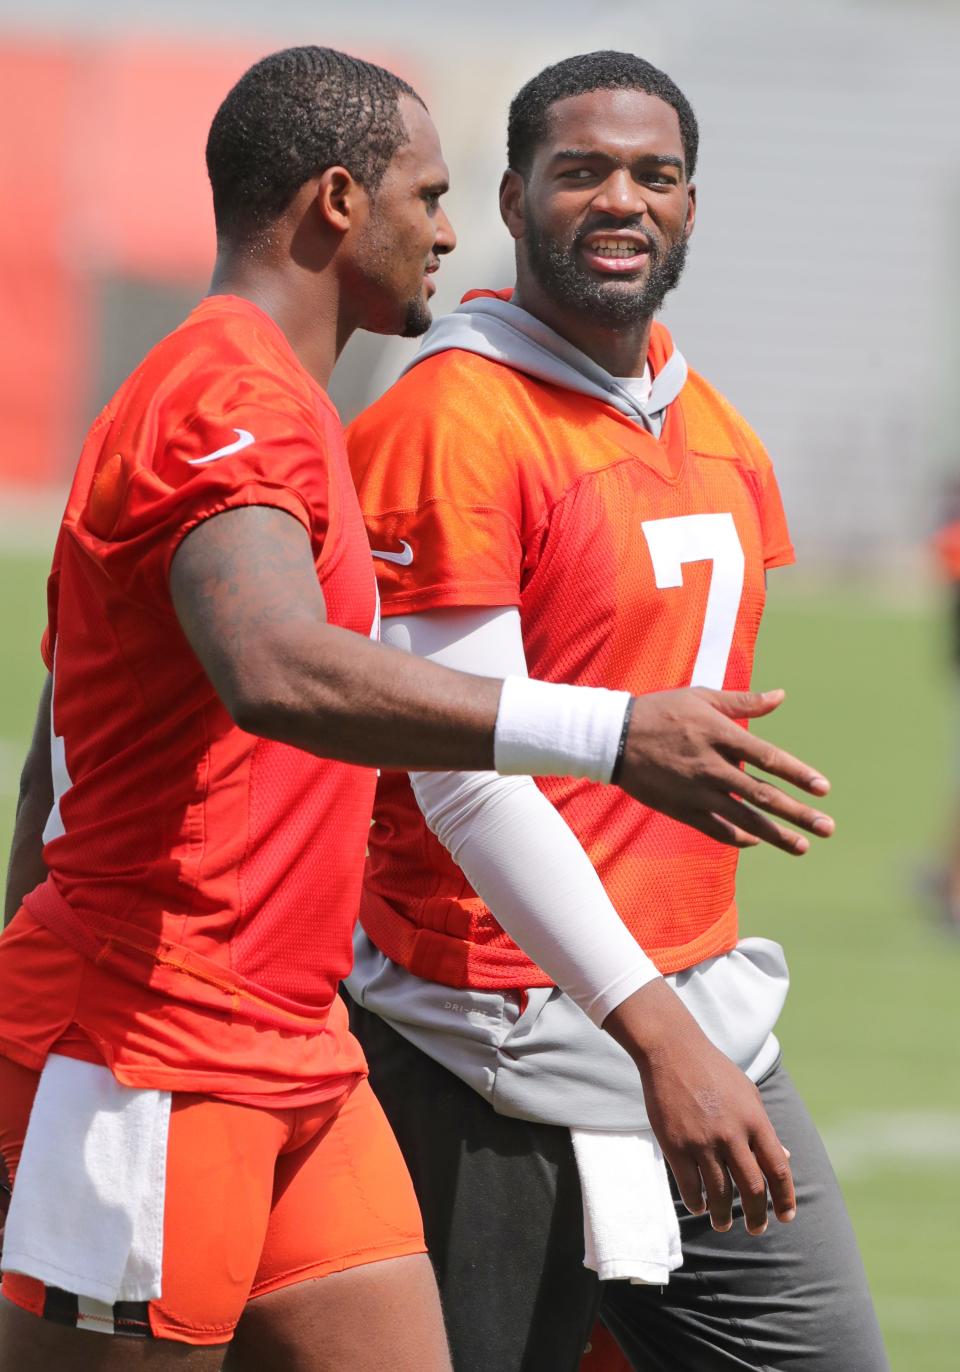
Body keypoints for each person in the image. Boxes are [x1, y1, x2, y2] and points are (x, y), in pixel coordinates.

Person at [0, 46, 834, 1372]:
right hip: (157, 1041)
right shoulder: (226, 397)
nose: (452, 232)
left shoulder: (286, 406)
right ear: (340, 203)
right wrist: (612, 731)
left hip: (300, 1048)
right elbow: (274, 669)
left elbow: (56, 742)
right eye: (431, 195)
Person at [345, 51, 889, 1372]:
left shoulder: (718, 429)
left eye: (655, 174)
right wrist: (656, 1033)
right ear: (517, 197)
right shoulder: (450, 420)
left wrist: (681, 1030)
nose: (620, 199)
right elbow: (460, 773)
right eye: (580, 170)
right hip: (482, 1035)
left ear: (693, 206)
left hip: (701, 1019)